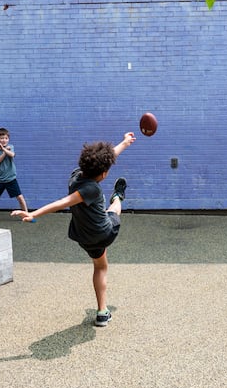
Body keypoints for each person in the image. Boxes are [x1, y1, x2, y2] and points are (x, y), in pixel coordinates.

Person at [11, 132, 135, 327]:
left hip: (83, 236)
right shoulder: (92, 189)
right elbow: (63, 202)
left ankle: (102, 312)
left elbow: (105, 159)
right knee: (114, 210)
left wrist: (125, 143)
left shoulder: (76, 175)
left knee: (99, 266)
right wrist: (33, 214)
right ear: (103, 174)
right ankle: (118, 195)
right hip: (104, 232)